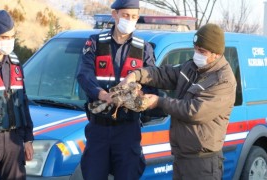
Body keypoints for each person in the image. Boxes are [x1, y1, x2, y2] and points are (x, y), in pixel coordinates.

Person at [120, 23, 237, 180]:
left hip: (203, 163)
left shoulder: (223, 81)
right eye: (195, 48)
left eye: (202, 51)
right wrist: (136, 75)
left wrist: (159, 102)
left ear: (216, 54)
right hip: (182, 157)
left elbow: (194, 111)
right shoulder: (192, 67)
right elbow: (164, 74)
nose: (197, 54)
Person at [76, 0, 156, 179]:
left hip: (128, 130)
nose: (130, 20)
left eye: (134, 17)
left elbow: (153, 85)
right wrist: (102, 94)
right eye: (126, 15)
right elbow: (84, 75)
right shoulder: (95, 43)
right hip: (99, 127)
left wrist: (141, 97)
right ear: (115, 15)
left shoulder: (144, 49)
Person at [0, 10, 34, 180]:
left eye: (11, 36)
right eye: (4, 37)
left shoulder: (15, 65)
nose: (9, 41)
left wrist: (27, 139)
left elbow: (22, 103)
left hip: (14, 139)